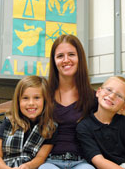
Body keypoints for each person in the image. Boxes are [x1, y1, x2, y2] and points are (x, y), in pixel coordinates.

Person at [39, 34, 97, 169]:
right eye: (60, 56)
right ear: (54, 61)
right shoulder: (43, 95)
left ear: (80, 58)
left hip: (83, 162)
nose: (66, 60)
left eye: (71, 54)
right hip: (49, 161)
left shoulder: (93, 98)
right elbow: (16, 121)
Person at [0, 75, 57, 169]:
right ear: (18, 101)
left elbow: (40, 158)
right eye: (25, 98)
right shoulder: (9, 122)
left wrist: (28, 166)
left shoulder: (49, 128)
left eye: (37, 98)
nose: (31, 103)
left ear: (45, 101)